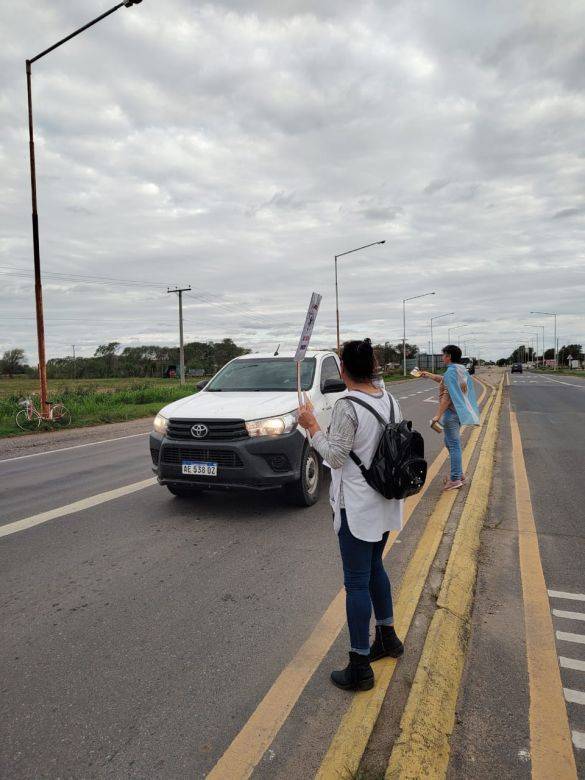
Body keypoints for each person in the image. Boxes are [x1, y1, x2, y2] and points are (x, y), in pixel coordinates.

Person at [298, 339, 404, 692]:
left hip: (357, 505)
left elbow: (336, 457)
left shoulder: (347, 405)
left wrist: (312, 426)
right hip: (385, 499)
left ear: (343, 370)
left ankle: (360, 665)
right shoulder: (389, 399)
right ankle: (387, 638)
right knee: (375, 568)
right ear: (373, 367)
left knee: (357, 582)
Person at [420, 344, 480, 491]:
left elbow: (447, 397)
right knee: (450, 443)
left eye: (444, 355)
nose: (442, 357)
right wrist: (429, 375)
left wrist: (437, 416)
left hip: (451, 414)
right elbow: (445, 380)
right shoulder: (460, 370)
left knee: (453, 445)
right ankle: (458, 474)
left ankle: (455, 479)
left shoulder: (451, 372)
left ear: (449, 356)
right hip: (458, 412)